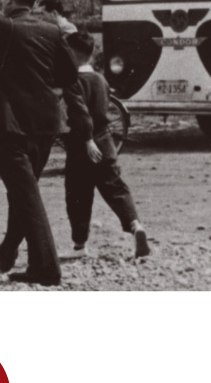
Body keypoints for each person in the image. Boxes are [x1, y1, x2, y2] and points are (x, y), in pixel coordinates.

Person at [0, 0, 92, 285]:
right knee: (24, 191)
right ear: (35, 0)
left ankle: (46, 267)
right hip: (46, 124)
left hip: (10, 124)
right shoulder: (52, 29)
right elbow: (67, 74)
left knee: (25, 194)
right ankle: (9, 250)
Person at [63, 32, 150, 259]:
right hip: (107, 141)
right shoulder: (101, 79)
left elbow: (81, 114)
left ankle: (80, 246)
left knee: (78, 195)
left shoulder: (72, 82)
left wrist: (87, 140)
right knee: (116, 188)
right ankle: (135, 225)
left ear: (73, 54)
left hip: (83, 145)